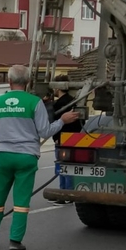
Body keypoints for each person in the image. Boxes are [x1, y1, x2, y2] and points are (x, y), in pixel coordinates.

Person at [0, 65, 80, 250]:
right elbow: (44, 131)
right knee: (21, 201)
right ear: (28, 82)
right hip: (26, 157)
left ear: (9, 82)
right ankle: (15, 242)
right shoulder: (34, 102)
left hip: (3, 155)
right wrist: (62, 121)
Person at [51, 75, 83, 203]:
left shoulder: (59, 104)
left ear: (58, 88)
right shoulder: (74, 101)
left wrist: (57, 138)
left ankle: (64, 193)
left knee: (62, 166)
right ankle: (68, 193)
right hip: (74, 137)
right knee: (69, 165)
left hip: (63, 138)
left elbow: (57, 122)